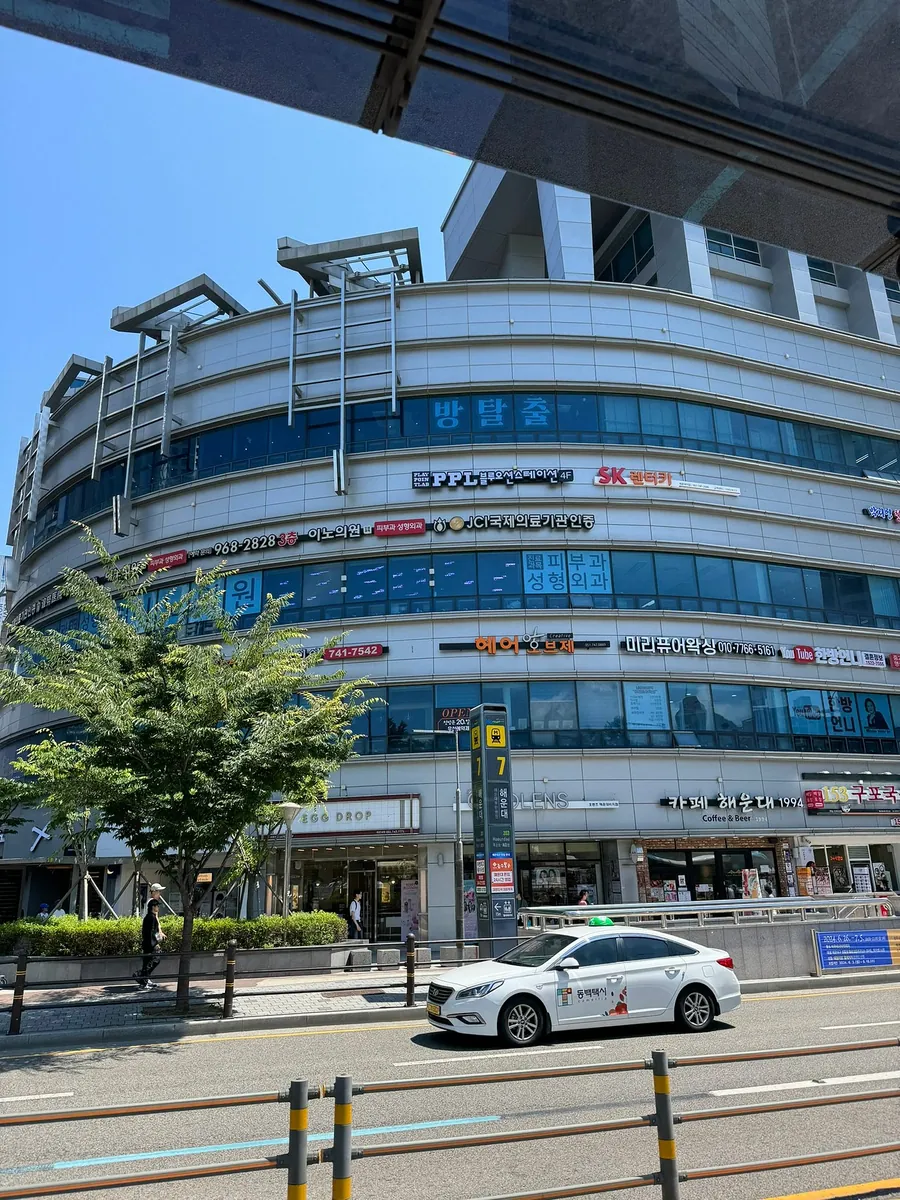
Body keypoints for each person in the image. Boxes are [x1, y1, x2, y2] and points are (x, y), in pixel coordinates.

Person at [133, 895, 166, 989]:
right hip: (150, 944)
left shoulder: (149, 917)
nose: (158, 908)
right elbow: (151, 932)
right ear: (153, 907)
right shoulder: (151, 917)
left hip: (147, 943)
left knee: (148, 962)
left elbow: (152, 932)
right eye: (157, 906)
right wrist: (155, 943)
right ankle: (141, 978)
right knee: (154, 960)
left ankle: (145, 979)